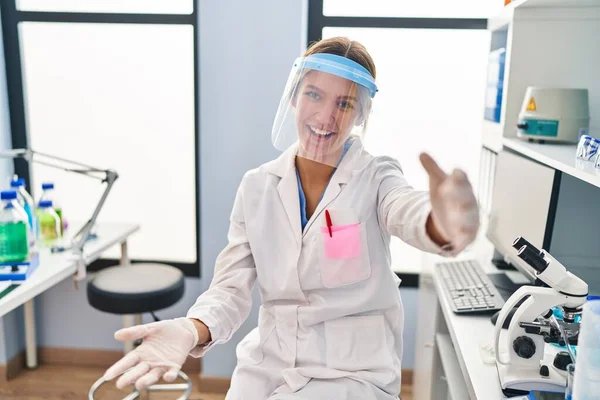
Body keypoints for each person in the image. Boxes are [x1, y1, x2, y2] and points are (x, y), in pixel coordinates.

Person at [103, 36, 479, 399]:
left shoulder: (377, 176)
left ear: (361, 114)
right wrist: (190, 328)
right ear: (294, 96)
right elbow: (230, 290)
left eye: (344, 104)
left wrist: (441, 222)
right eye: (314, 94)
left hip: (352, 373)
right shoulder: (257, 187)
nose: (326, 116)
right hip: (268, 366)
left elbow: (406, 209)